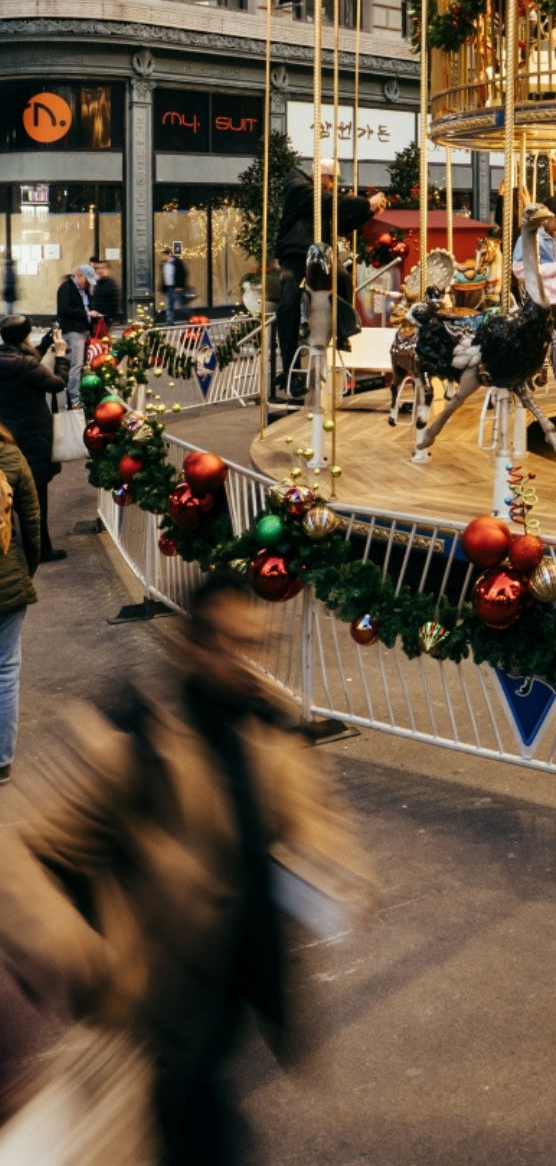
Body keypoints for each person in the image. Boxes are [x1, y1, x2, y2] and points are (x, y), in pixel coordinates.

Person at [0, 568, 368, 1163]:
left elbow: (313, 816)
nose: (244, 661)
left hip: (222, 1013)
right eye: (228, 643)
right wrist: (85, 960)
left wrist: (333, 873)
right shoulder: (130, 735)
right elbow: (10, 859)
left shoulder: (268, 731)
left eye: (254, 646)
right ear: (191, 647)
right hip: (147, 1024)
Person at [272, 162, 384, 401]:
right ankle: (290, 368)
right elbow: (323, 200)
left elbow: (341, 224)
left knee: (343, 278)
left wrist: (369, 212)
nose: (332, 184)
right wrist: (365, 203)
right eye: (330, 178)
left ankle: (342, 328)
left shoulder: (323, 199)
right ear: (319, 174)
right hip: (295, 252)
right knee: (289, 294)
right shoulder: (297, 184)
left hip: (321, 252)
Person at [0, 317, 65, 568]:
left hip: (6, 438)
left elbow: (24, 365)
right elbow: (56, 384)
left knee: (8, 491)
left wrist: (46, 342)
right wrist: (60, 357)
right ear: (26, 336)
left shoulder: (10, 360)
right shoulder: (27, 365)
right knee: (36, 497)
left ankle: (10, 543)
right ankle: (41, 550)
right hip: (32, 437)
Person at [0, 423, 39, 785]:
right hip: (7, 578)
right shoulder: (10, 454)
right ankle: (1, 761)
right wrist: (28, 567)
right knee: (5, 667)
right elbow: (31, 519)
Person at [53, 264, 94, 409]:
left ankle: (76, 395)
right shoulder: (66, 288)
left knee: (78, 364)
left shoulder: (83, 289)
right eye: (86, 279)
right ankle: (74, 398)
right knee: (76, 365)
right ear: (79, 275)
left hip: (82, 329)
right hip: (73, 331)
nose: (87, 283)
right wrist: (86, 314)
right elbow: (64, 309)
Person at [159, 243, 192, 325]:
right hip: (168, 288)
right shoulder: (163, 264)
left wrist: (180, 286)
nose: (163, 257)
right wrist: (162, 288)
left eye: (164, 255)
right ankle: (170, 322)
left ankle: (191, 318)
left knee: (182, 306)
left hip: (176, 288)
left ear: (169, 254)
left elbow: (183, 274)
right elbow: (164, 277)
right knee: (169, 306)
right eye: (162, 255)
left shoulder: (176, 262)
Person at [88, 261, 121, 327]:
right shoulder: (97, 283)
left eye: (102, 268)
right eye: (97, 268)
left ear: (107, 269)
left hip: (105, 319)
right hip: (96, 318)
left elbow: (114, 303)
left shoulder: (111, 284)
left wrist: (107, 317)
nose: (99, 270)